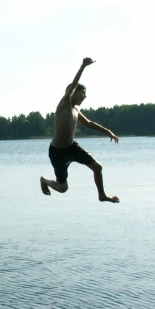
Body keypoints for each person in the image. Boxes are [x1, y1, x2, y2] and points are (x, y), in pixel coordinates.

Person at [40, 58, 120, 203]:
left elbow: (89, 123)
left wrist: (108, 132)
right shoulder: (64, 103)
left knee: (98, 167)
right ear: (73, 93)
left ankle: (102, 196)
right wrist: (83, 66)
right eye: (83, 93)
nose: (85, 96)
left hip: (71, 148)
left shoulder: (75, 110)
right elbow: (74, 84)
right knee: (63, 188)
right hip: (57, 152)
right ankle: (45, 181)